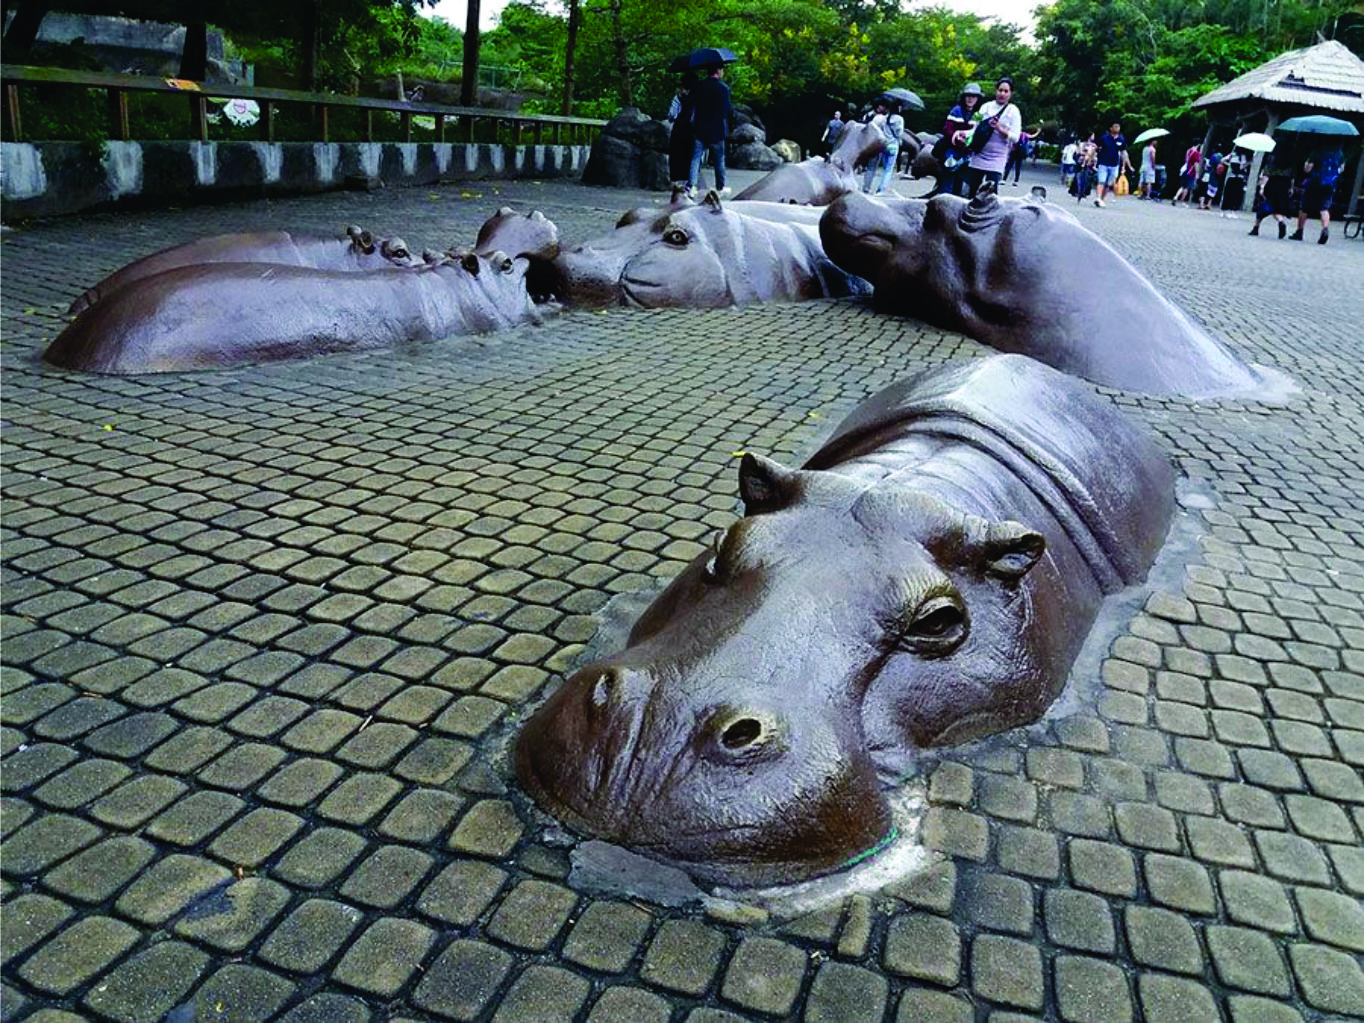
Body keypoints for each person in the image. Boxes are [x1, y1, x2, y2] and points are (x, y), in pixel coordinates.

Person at [954, 76, 1021, 196]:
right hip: (979, 154)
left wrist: (1000, 129)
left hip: (997, 158)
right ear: (995, 91)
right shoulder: (985, 107)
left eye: (1006, 91)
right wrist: (963, 135)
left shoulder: (1013, 111)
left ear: (1011, 94)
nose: (1002, 94)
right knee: (972, 189)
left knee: (991, 192)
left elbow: (1016, 137)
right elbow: (973, 126)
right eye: (1000, 90)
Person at [930, 82, 983, 197]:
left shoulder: (978, 114)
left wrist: (969, 140)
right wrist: (956, 136)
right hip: (952, 151)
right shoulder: (957, 110)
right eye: (968, 96)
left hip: (967, 153)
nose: (970, 99)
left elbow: (977, 132)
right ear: (963, 97)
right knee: (947, 182)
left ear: (977, 99)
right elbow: (947, 129)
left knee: (960, 183)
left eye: (973, 96)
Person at [687, 63, 732, 198]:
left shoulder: (699, 86)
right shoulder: (723, 88)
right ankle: (720, 186)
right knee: (719, 160)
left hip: (700, 128)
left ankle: (692, 187)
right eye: (722, 69)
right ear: (718, 71)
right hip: (717, 129)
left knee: (695, 159)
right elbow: (728, 109)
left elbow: (689, 103)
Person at [1289, 149, 1342, 244]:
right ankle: (1325, 229)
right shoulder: (1339, 153)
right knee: (1324, 208)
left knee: (1304, 208)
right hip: (1330, 185)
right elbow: (1341, 169)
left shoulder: (1316, 152)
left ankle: (1299, 231)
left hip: (1315, 183)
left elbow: (1308, 169)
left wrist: (1306, 164)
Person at [862, 97, 903, 195]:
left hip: (881, 145)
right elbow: (899, 134)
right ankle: (882, 190)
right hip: (893, 145)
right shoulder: (899, 119)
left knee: (871, 167)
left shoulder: (882, 118)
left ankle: (866, 188)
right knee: (888, 170)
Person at [1248, 153, 1291, 239]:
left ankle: (1256, 228)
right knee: (1277, 208)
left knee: (1263, 206)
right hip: (1284, 185)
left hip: (1271, 184)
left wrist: (1262, 187)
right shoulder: (1288, 159)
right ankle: (1281, 221)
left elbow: (1267, 173)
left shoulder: (1272, 157)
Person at [666, 71, 697, 190]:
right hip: (691, 130)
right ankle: (689, 184)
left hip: (678, 129)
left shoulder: (678, 98)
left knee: (676, 155)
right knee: (689, 156)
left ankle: (676, 182)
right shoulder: (696, 98)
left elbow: (671, 115)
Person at [1092, 121, 1131, 207]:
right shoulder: (1104, 138)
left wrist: (1124, 166)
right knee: (1101, 181)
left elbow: (1123, 153)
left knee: (1108, 183)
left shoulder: (1121, 140)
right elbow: (1096, 147)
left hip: (1114, 164)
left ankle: (1102, 199)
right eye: (1115, 126)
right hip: (1103, 162)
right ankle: (1098, 197)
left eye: (1118, 127)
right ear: (1111, 128)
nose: (1117, 128)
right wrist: (1091, 158)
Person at [1172, 140, 1201, 206]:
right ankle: (1182, 201)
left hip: (1185, 169)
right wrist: (1197, 173)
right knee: (1187, 187)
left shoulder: (1188, 150)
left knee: (1182, 186)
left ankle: (1176, 196)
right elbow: (1196, 163)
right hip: (1191, 171)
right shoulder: (1196, 153)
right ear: (1198, 144)